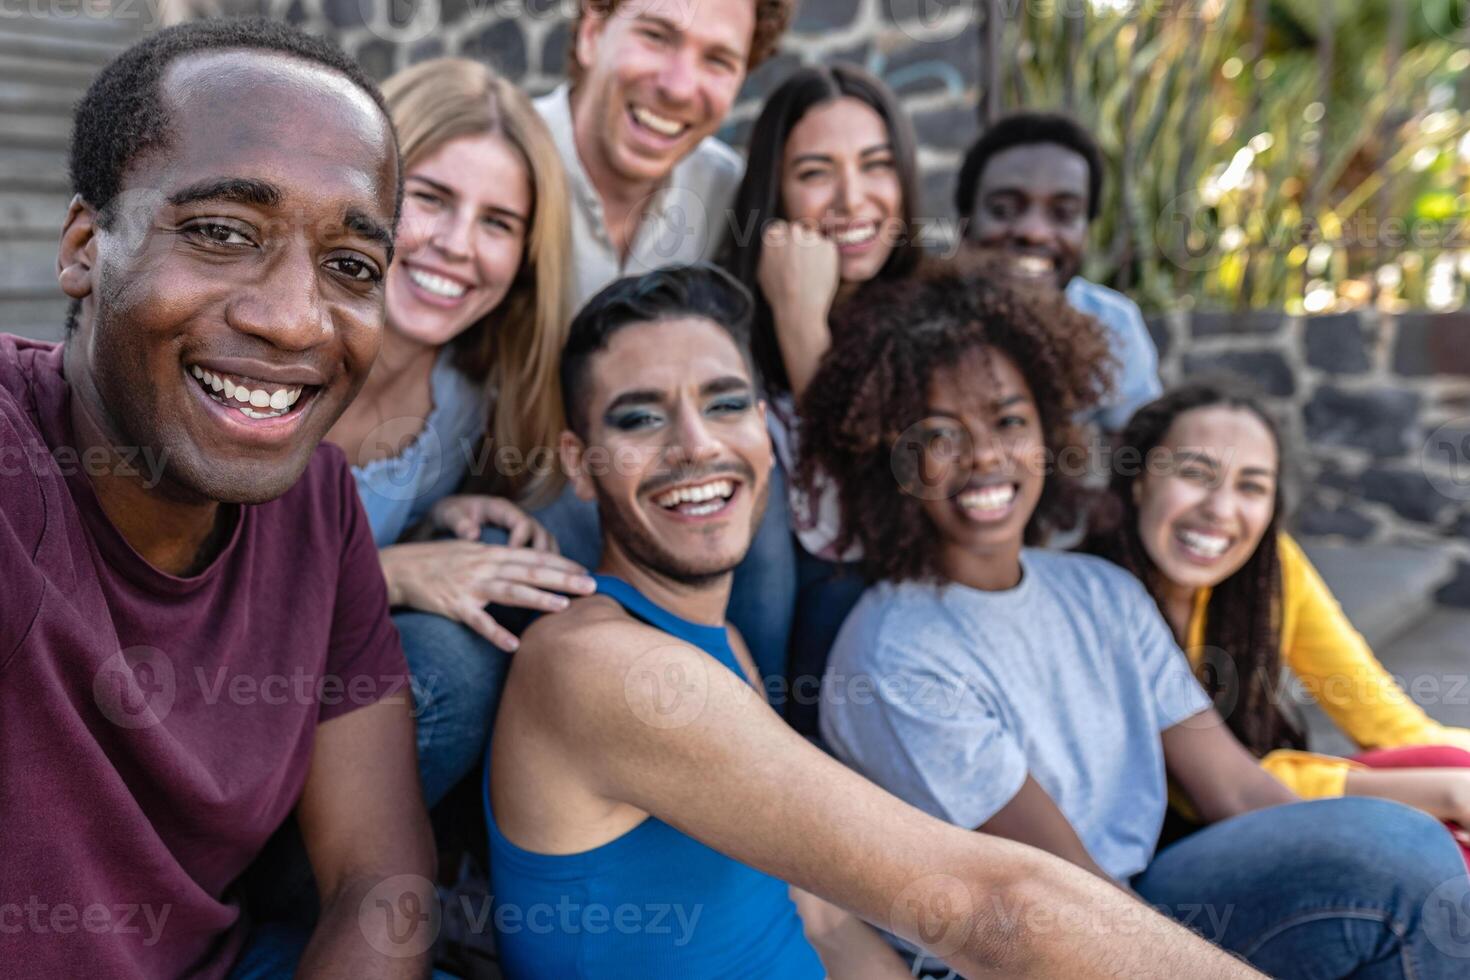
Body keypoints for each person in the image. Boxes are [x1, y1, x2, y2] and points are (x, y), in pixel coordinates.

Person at [483, 263, 1266, 979]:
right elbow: (996, 908)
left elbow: (821, 918)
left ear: (764, 432)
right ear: (580, 466)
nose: (697, 444)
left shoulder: (717, 646)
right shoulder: (601, 666)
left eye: (724, 404)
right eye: (640, 420)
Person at [805, 258, 1470, 978]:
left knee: (1405, 854)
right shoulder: (896, 651)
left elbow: (1239, 791)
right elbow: (1059, 891)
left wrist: (1346, 842)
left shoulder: (1100, 593)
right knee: (1398, 863)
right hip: (1027, 945)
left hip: (1140, 899)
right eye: (940, 435)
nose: (987, 456)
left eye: (1009, 421)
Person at [0, 19, 440, 980]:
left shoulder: (316, 500)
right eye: (220, 234)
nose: (291, 318)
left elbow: (382, 874)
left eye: (351, 266)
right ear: (84, 247)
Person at [325, 57, 593, 809]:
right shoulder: (268, 353)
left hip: (328, 708)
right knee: (445, 672)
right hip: (200, 705)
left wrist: (435, 517)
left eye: (498, 223)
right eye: (431, 200)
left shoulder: (465, 402)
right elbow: (194, 593)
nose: (456, 244)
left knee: (530, 556)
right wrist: (398, 571)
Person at [1082, 379, 1470, 862]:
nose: (1220, 510)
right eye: (1195, 473)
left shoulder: (1270, 572)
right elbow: (1216, 793)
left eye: (1251, 486)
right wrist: (1450, 792)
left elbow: (1382, 716)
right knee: (1435, 821)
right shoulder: (1095, 600)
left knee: (1452, 768)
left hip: (1257, 802)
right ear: (1139, 481)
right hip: (1165, 854)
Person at [717, 64, 923, 729]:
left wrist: (804, 321)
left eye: (876, 166)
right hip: (747, 639)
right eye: (815, 174)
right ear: (773, 193)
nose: (853, 199)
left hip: (871, 634)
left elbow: (883, 511)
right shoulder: (723, 323)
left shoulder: (937, 322)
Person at [537, 0, 793, 308]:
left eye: (718, 60)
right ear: (593, 33)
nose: (678, 89)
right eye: (655, 36)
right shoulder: (489, 165)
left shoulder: (730, 194)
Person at [955, 110, 1161, 432]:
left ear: (1086, 232)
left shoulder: (1112, 325)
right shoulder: (918, 320)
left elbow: (1141, 450)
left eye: (1063, 213)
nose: (1034, 232)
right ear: (964, 224)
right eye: (1004, 210)